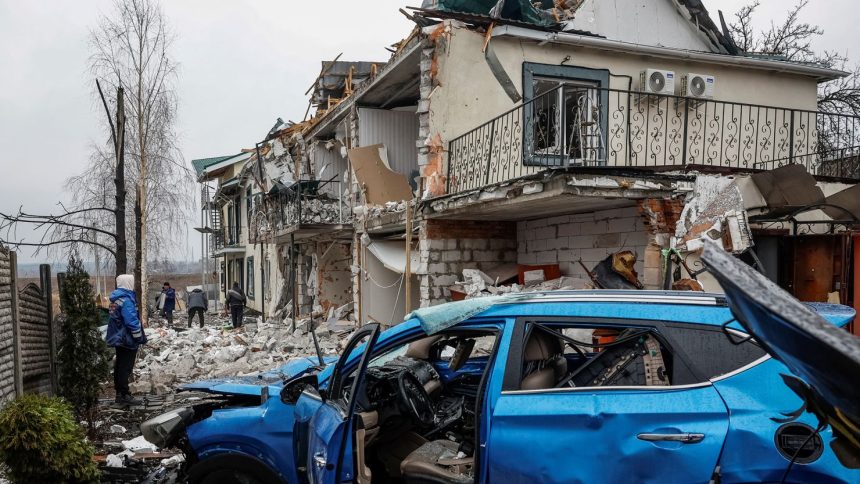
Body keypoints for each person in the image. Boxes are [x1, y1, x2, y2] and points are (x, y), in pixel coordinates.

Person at [107, 274, 147, 406]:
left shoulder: (116, 299)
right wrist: (139, 337)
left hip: (119, 337)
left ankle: (120, 393)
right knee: (125, 367)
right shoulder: (127, 300)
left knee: (119, 366)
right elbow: (131, 321)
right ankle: (124, 394)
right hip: (127, 339)